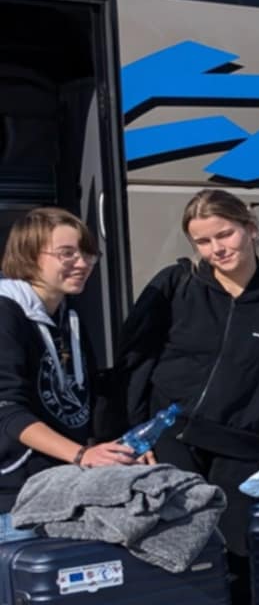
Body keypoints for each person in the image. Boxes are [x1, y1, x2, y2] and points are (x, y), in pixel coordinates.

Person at [114, 189, 259, 605]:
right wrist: (137, 431)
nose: (216, 249)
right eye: (203, 241)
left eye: (224, 234)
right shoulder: (176, 284)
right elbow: (134, 360)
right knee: (169, 548)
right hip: (171, 438)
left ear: (250, 227)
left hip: (241, 446)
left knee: (239, 554)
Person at [0, 208, 136, 522]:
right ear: (30, 254)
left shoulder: (67, 315)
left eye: (88, 253)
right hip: (14, 493)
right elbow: (7, 409)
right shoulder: (7, 314)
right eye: (67, 254)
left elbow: (84, 399)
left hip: (61, 483)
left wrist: (115, 448)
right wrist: (82, 455)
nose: (83, 263)